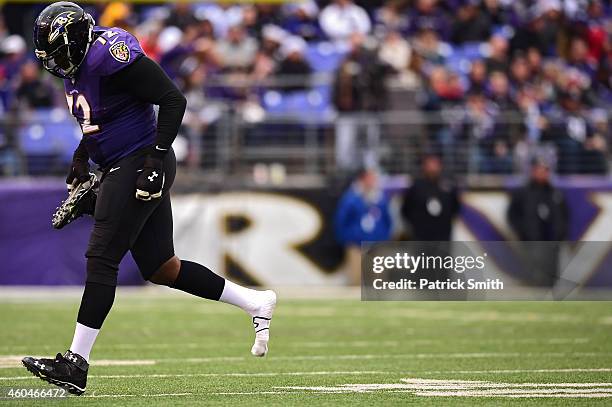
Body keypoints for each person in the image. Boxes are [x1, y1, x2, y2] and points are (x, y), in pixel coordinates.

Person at [23, 2, 277, 396]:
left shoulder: (110, 54)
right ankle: (255, 302)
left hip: (141, 161)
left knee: (102, 257)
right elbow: (100, 120)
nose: (54, 63)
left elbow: (173, 99)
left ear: (74, 41)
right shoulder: (76, 71)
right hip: (124, 162)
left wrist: (157, 158)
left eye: (57, 52)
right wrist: (81, 155)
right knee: (161, 267)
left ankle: (75, 363)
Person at [507, 158, 569, 286]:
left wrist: (561, 232)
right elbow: (512, 214)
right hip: (531, 240)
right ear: (533, 171)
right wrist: (523, 231)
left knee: (551, 273)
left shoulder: (555, 193)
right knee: (533, 272)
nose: (543, 173)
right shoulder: (523, 193)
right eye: (540, 170)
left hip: (552, 240)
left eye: (546, 170)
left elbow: (564, 215)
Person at [334, 168, 392, 285]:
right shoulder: (351, 198)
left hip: (376, 245)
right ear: (362, 179)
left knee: (378, 280)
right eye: (370, 178)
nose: (373, 181)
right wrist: (349, 239)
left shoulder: (380, 198)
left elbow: (388, 220)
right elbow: (341, 220)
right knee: (355, 280)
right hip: (356, 245)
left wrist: (384, 238)